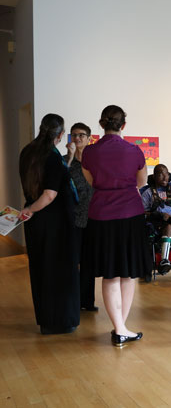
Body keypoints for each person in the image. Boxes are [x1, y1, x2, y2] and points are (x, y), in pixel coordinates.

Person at [81, 105, 151, 347]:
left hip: (101, 215)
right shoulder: (134, 151)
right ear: (123, 125)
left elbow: (91, 182)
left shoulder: (89, 153)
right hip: (130, 214)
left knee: (109, 273)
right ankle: (121, 327)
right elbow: (141, 182)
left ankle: (120, 327)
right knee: (127, 273)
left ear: (102, 124)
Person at [19, 113, 80, 335]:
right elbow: (50, 194)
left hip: (36, 223)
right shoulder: (52, 157)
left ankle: (46, 320)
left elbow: (50, 177)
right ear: (61, 134)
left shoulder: (28, 152)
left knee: (41, 269)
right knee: (61, 270)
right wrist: (31, 209)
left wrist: (29, 210)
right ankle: (62, 321)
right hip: (56, 223)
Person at [64, 122, 96, 312]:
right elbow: (58, 182)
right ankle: (72, 302)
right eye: (74, 135)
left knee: (89, 262)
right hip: (73, 218)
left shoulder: (95, 161)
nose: (77, 138)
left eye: (81, 135)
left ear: (89, 138)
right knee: (72, 261)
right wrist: (68, 159)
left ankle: (87, 302)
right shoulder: (65, 161)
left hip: (93, 217)